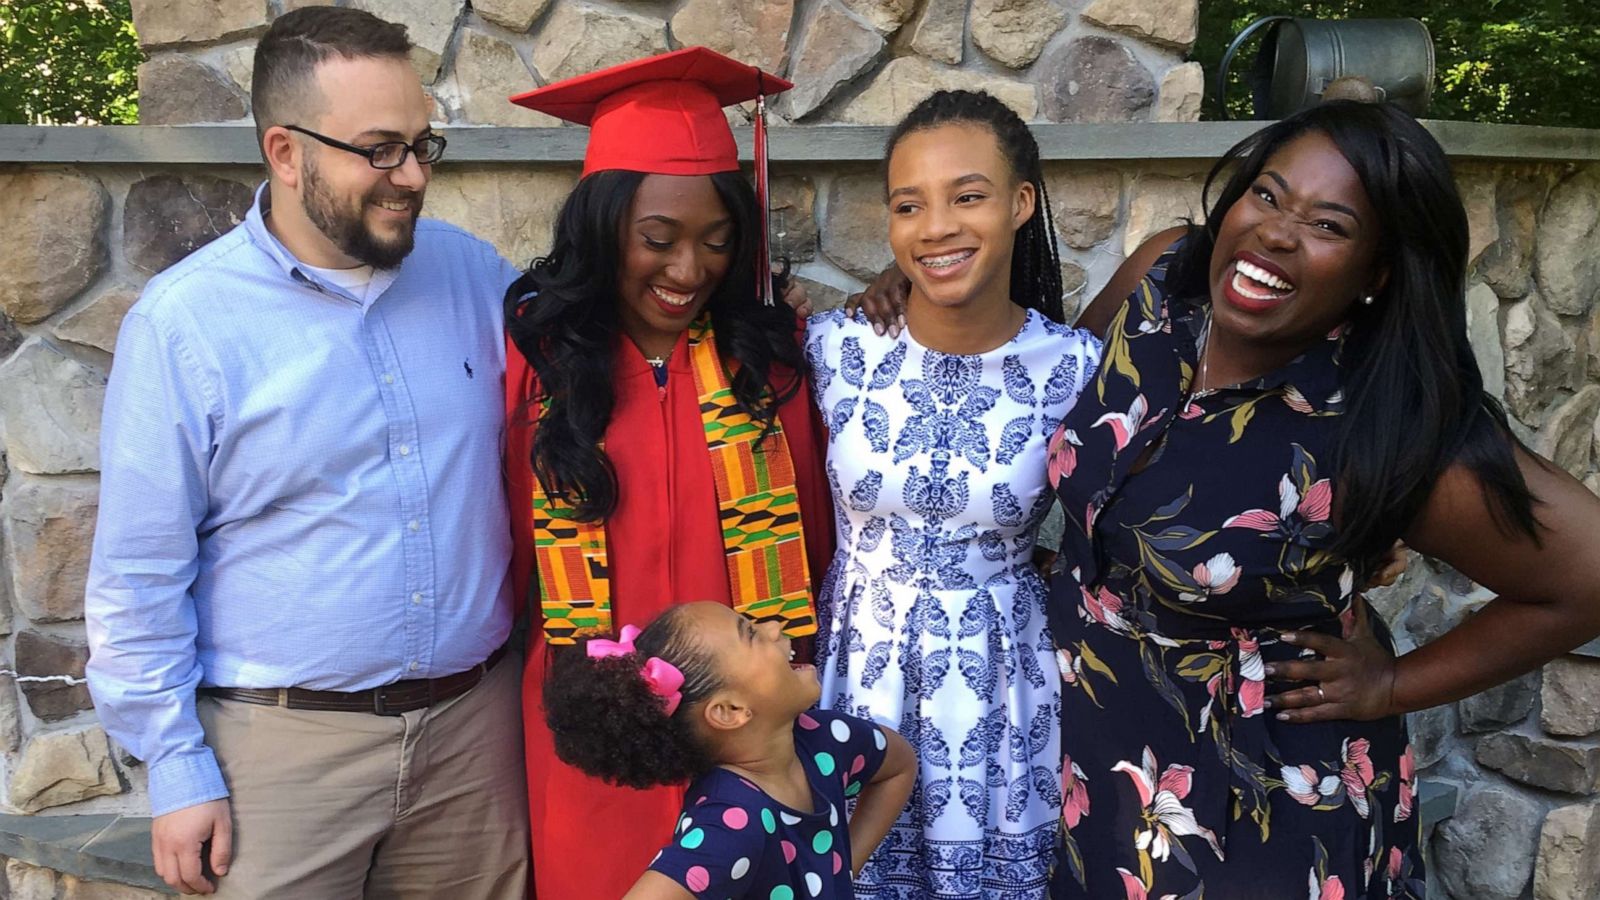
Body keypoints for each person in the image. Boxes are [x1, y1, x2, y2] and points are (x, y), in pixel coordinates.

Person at [1045, 100, 1600, 899]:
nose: (1276, 231)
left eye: (1329, 225)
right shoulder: (1159, 283)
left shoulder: (1379, 422)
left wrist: (1395, 685)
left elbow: (1584, 579)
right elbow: (1052, 381)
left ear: (1377, 274)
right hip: (1101, 756)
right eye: (1268, 195)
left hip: (1258, 809)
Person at [84, 7, 528, 897]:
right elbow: (138, 573)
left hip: (474, 748)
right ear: (285, 153)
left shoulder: (474, 274)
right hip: (278, 763)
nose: (410, 176)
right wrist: (175, 768)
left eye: (420, 145)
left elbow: (605, 347)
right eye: (379, 149)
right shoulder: (185, 325)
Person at [502, 48, 836, 899]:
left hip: (744, 735)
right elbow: (505, 542)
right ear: (603, 227)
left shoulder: (772, 361)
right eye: (657, 240)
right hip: (593, 728)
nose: (688, 270)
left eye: (717, 243)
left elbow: (822, 539)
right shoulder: (540, 365)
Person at [805, 91, 1102, 899]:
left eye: (967, 196)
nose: (936, 226)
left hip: (999, 689)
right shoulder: (834, 349)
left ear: (1020, 203)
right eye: (910, 205)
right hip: (855, 674)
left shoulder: (1078, 369)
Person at [543, 601, 917, 898]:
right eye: (751, 634)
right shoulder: (732, 823)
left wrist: (840, 871)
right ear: (730, 711)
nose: (773, 628)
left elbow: (900, 767)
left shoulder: (829, 740)